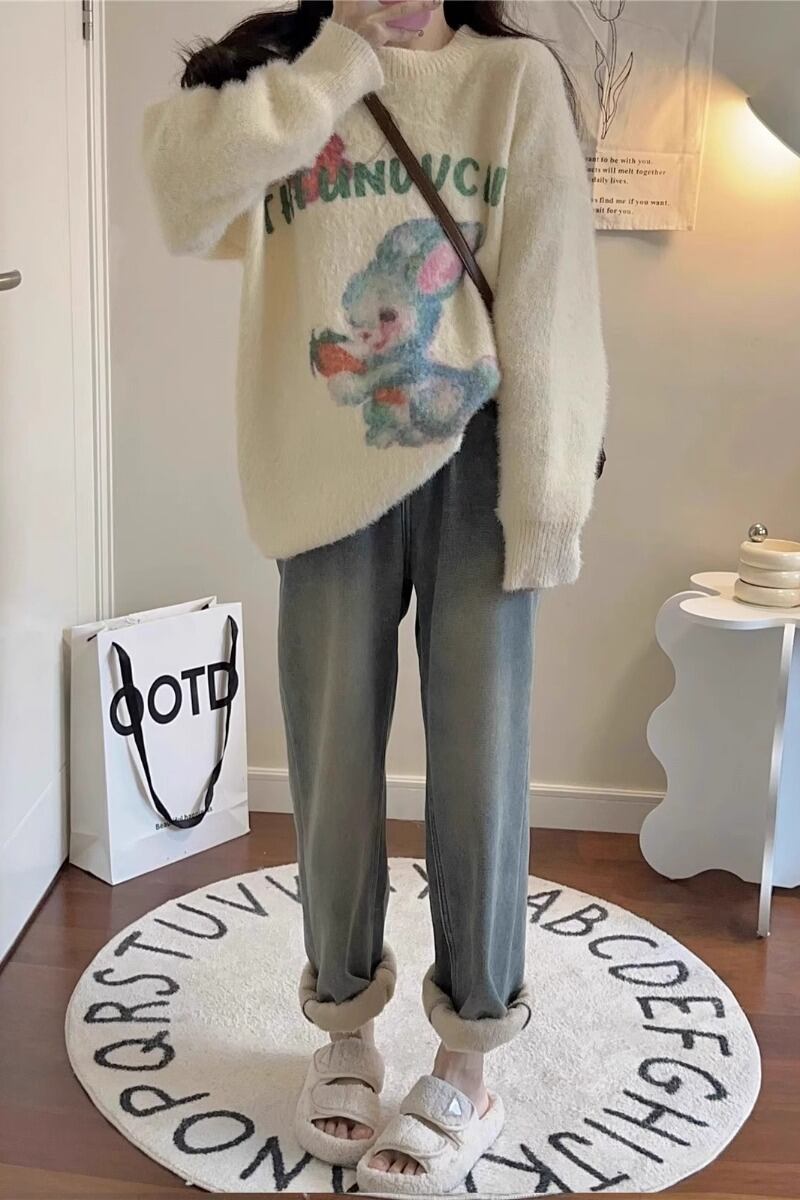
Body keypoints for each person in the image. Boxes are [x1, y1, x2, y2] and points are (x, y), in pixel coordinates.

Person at [141, 0, 609, 1191]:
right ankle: (343, 1026)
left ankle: (469, 1057)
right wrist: (336, 61)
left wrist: (546, 500)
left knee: (480, 764)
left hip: (479, 458)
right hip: (323, 470)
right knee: (330, 759)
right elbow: (181, 197)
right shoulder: (286, 74)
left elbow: (549, 292)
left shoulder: (510, 79)